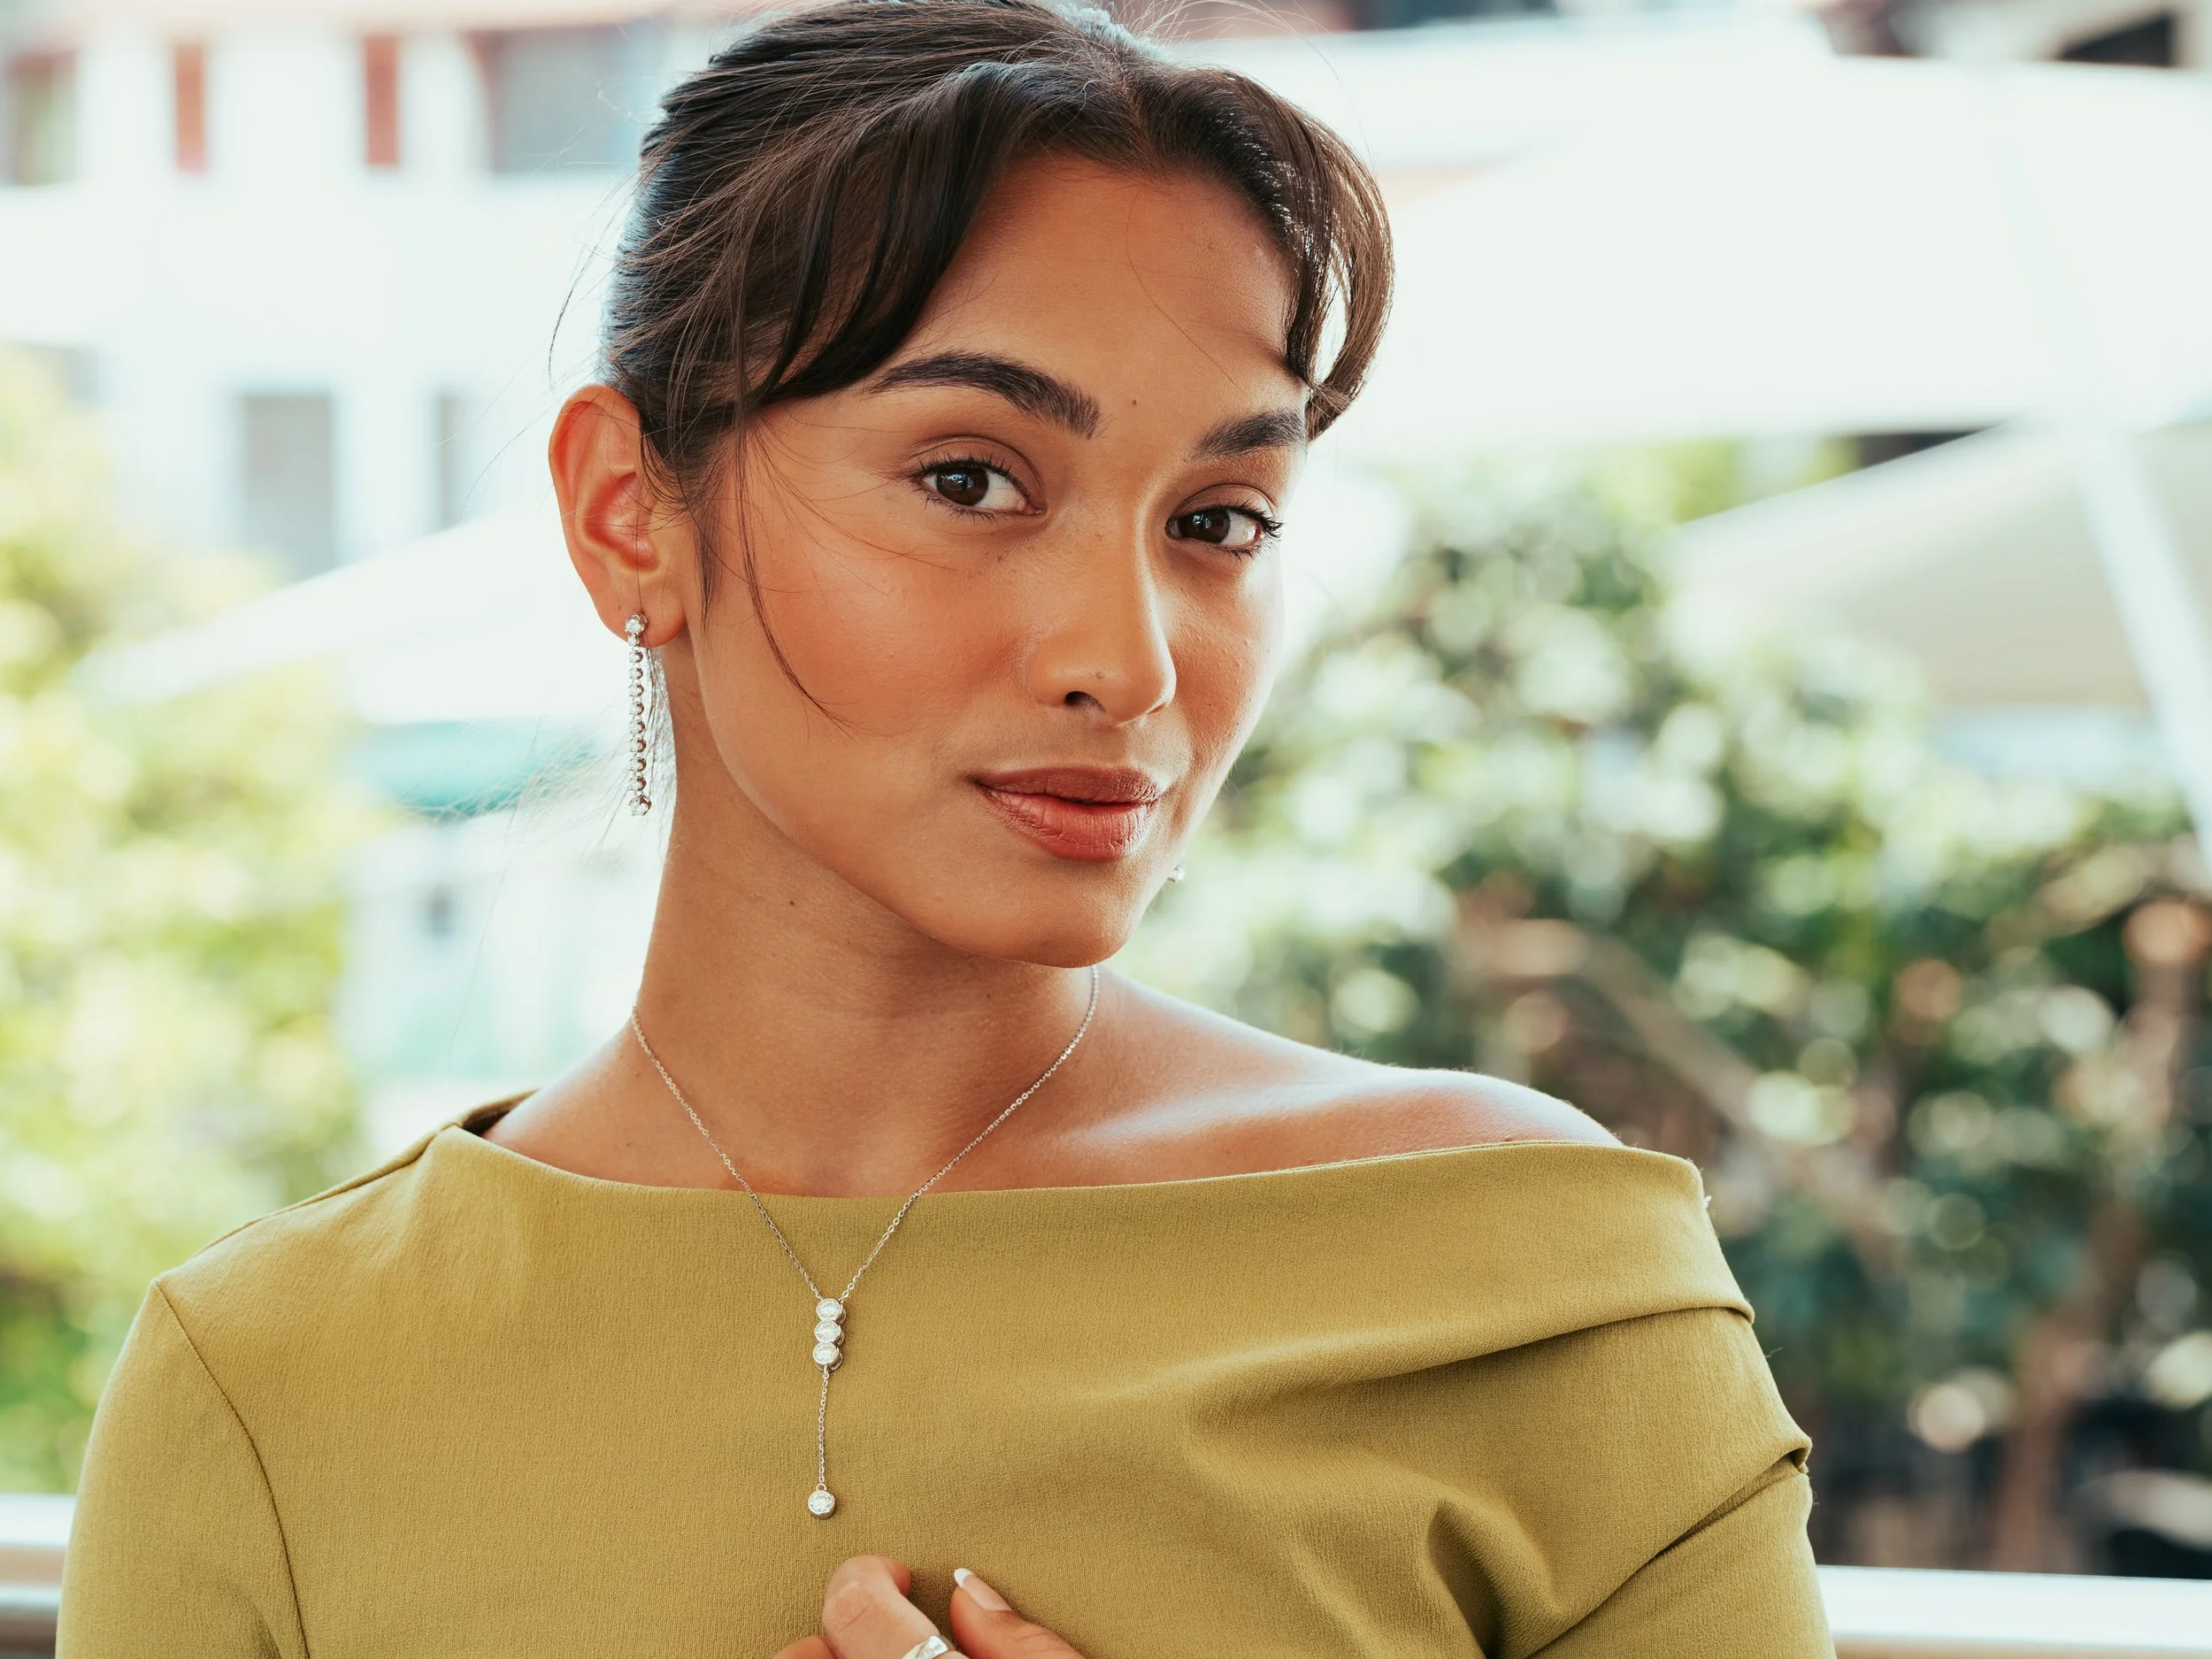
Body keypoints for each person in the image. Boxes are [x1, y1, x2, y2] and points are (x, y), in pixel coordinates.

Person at [60, 3, 1831, 1655]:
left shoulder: (1528, 1278)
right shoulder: (273, 1388)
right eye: (969, 479)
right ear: (626, 514)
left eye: (1218, 518)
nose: (1125, 658)